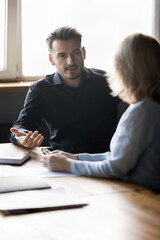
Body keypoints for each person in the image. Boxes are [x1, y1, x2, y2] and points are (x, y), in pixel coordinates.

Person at [40, 33, 160, 192]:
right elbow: (116, 157)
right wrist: (76, 157)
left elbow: (115, 168)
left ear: (127, 69)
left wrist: (68, 166)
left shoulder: (140, 112)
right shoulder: (150, 106)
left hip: (142, 197)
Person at [10, 26, 121, 153]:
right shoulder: (41, 90)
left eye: (76, 53)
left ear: (83, 53)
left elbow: (140, 103)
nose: (70, 62)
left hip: (107, 162)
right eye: (62, 55)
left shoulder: (109, 81)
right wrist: (22, 138)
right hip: (63, 162)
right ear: (51, 59)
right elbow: (22, 126)